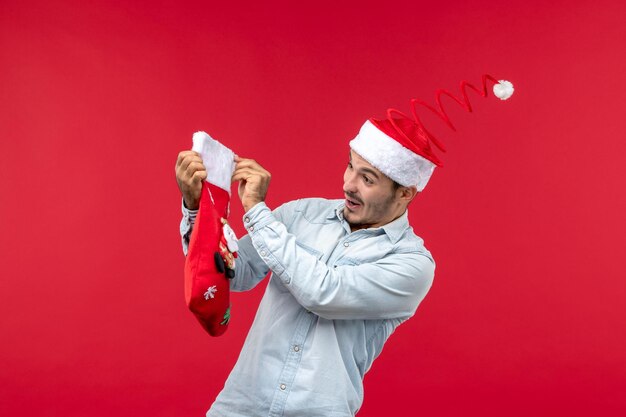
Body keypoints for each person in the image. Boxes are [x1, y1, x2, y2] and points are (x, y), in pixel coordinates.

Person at [175, 117, 437, 416]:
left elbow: (324, 293)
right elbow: (235, 271)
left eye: (367, 179)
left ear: (405, 193)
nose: (348, 185)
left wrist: (258, 212)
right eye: (351, 166)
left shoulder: (411, 264)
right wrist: (197, 208)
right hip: (240, 407)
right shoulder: (301, 213)